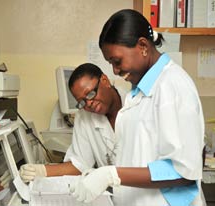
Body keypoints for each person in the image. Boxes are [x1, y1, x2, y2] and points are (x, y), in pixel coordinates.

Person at [70, 9, 205, 206]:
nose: (116, 71)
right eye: (110, 64)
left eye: (117, 61)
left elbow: (183, 171)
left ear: (142, 46)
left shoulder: (172, 86)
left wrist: (112, 175)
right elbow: (139, 158)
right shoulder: (139, 92)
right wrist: (102, 177)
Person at [19, 63, 125, 182]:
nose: (89, 103)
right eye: (82, 102)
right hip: (112, 192)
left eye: (90, 93)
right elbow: (80, 164)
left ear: (105, 80)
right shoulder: (84, 115)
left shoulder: (136, 106)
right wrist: (40, 171)